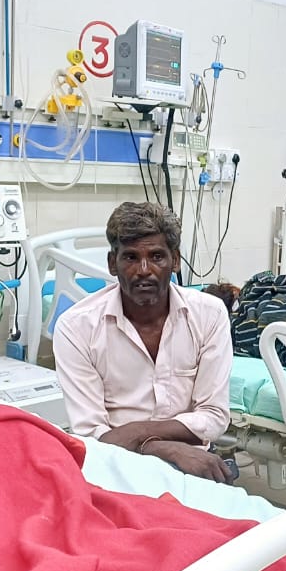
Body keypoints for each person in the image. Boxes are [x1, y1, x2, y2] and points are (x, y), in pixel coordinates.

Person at [53, 201, 234, 482]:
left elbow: (214, 416)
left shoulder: (209, 314)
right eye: (131, 258)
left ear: (175, 261)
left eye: (157, 256)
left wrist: (137, 432)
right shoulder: (76, 328)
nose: (144, 270)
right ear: (112, 264)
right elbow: (91, 435)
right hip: (115, 464)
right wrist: (161, 447)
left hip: (194, 461)